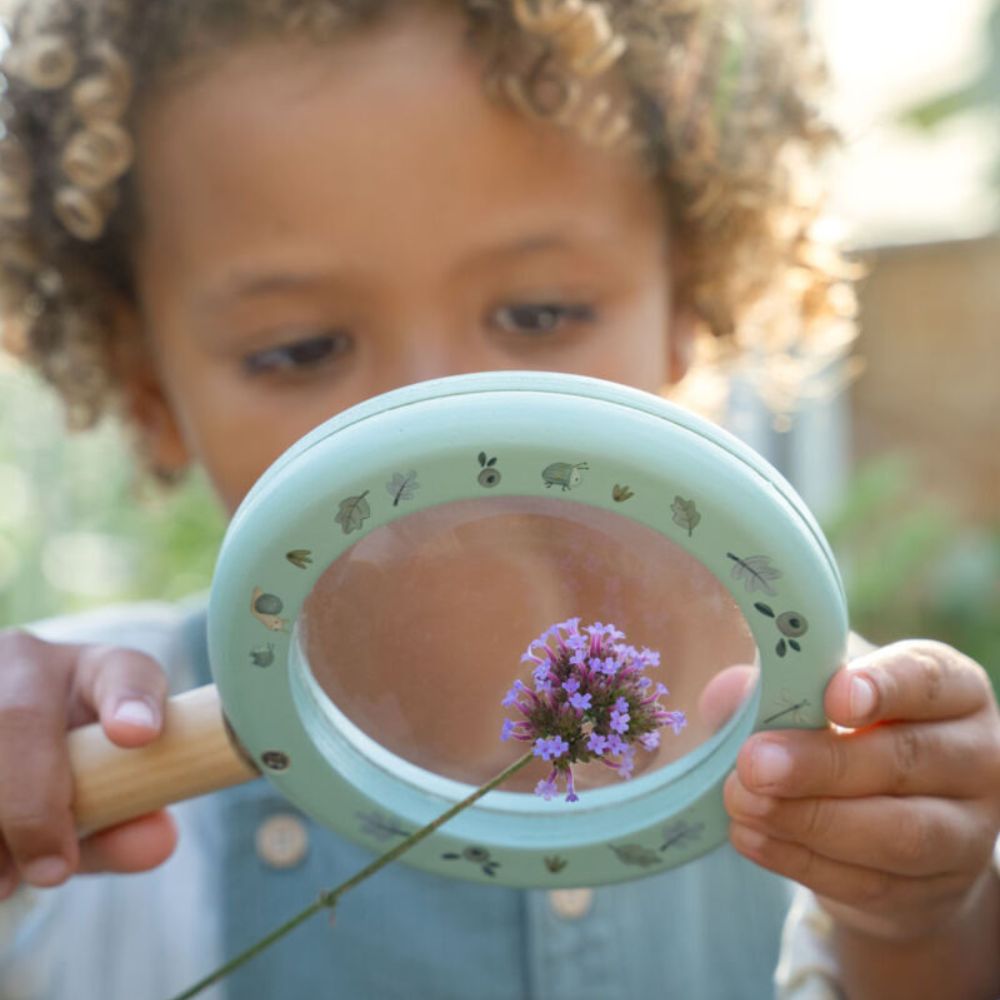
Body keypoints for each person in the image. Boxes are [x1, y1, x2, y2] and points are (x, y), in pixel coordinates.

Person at [0, 1, 998, 997]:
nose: (439, 424)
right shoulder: (95, 770)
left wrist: (915, 921)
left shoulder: (825, 743)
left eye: (538, 313)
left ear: (687, 309)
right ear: (149, 390)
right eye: (301, 349)